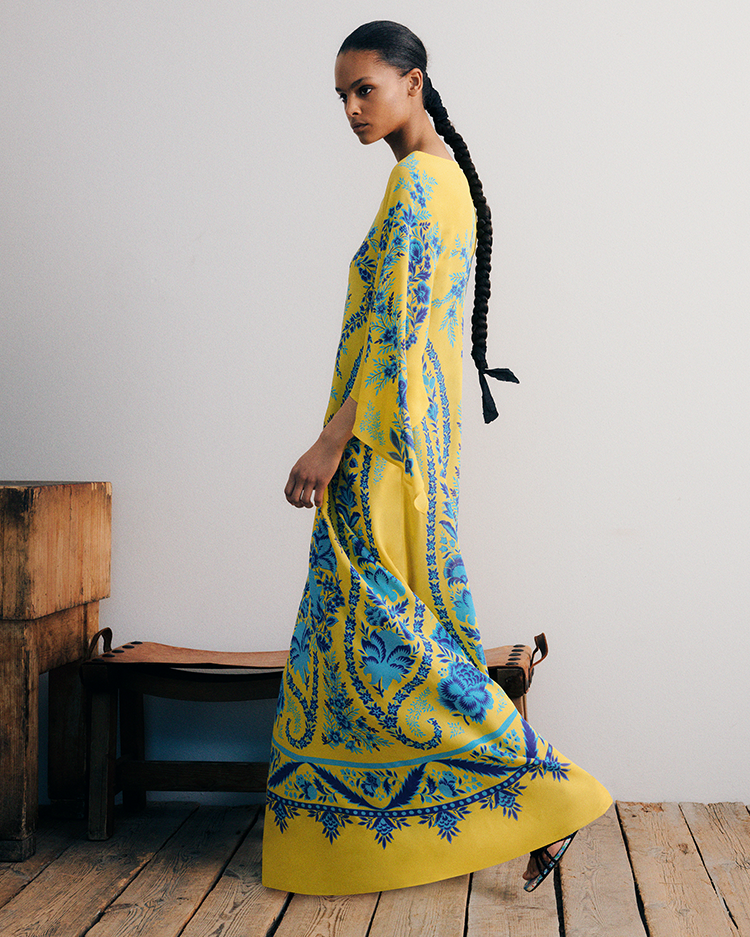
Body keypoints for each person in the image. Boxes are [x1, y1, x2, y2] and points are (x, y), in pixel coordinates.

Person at [262, 20, 611, 896]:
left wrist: (330, 442)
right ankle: (509, 808)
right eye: (341, 96)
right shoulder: (446, 178)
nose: (351, 109)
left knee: (375, 635)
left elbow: (395, 335)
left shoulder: (418, 183)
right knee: (395, 633)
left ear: (412, 83)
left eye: (365, 89)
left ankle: (556, 791)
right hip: (417, 448)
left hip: (378, 449)